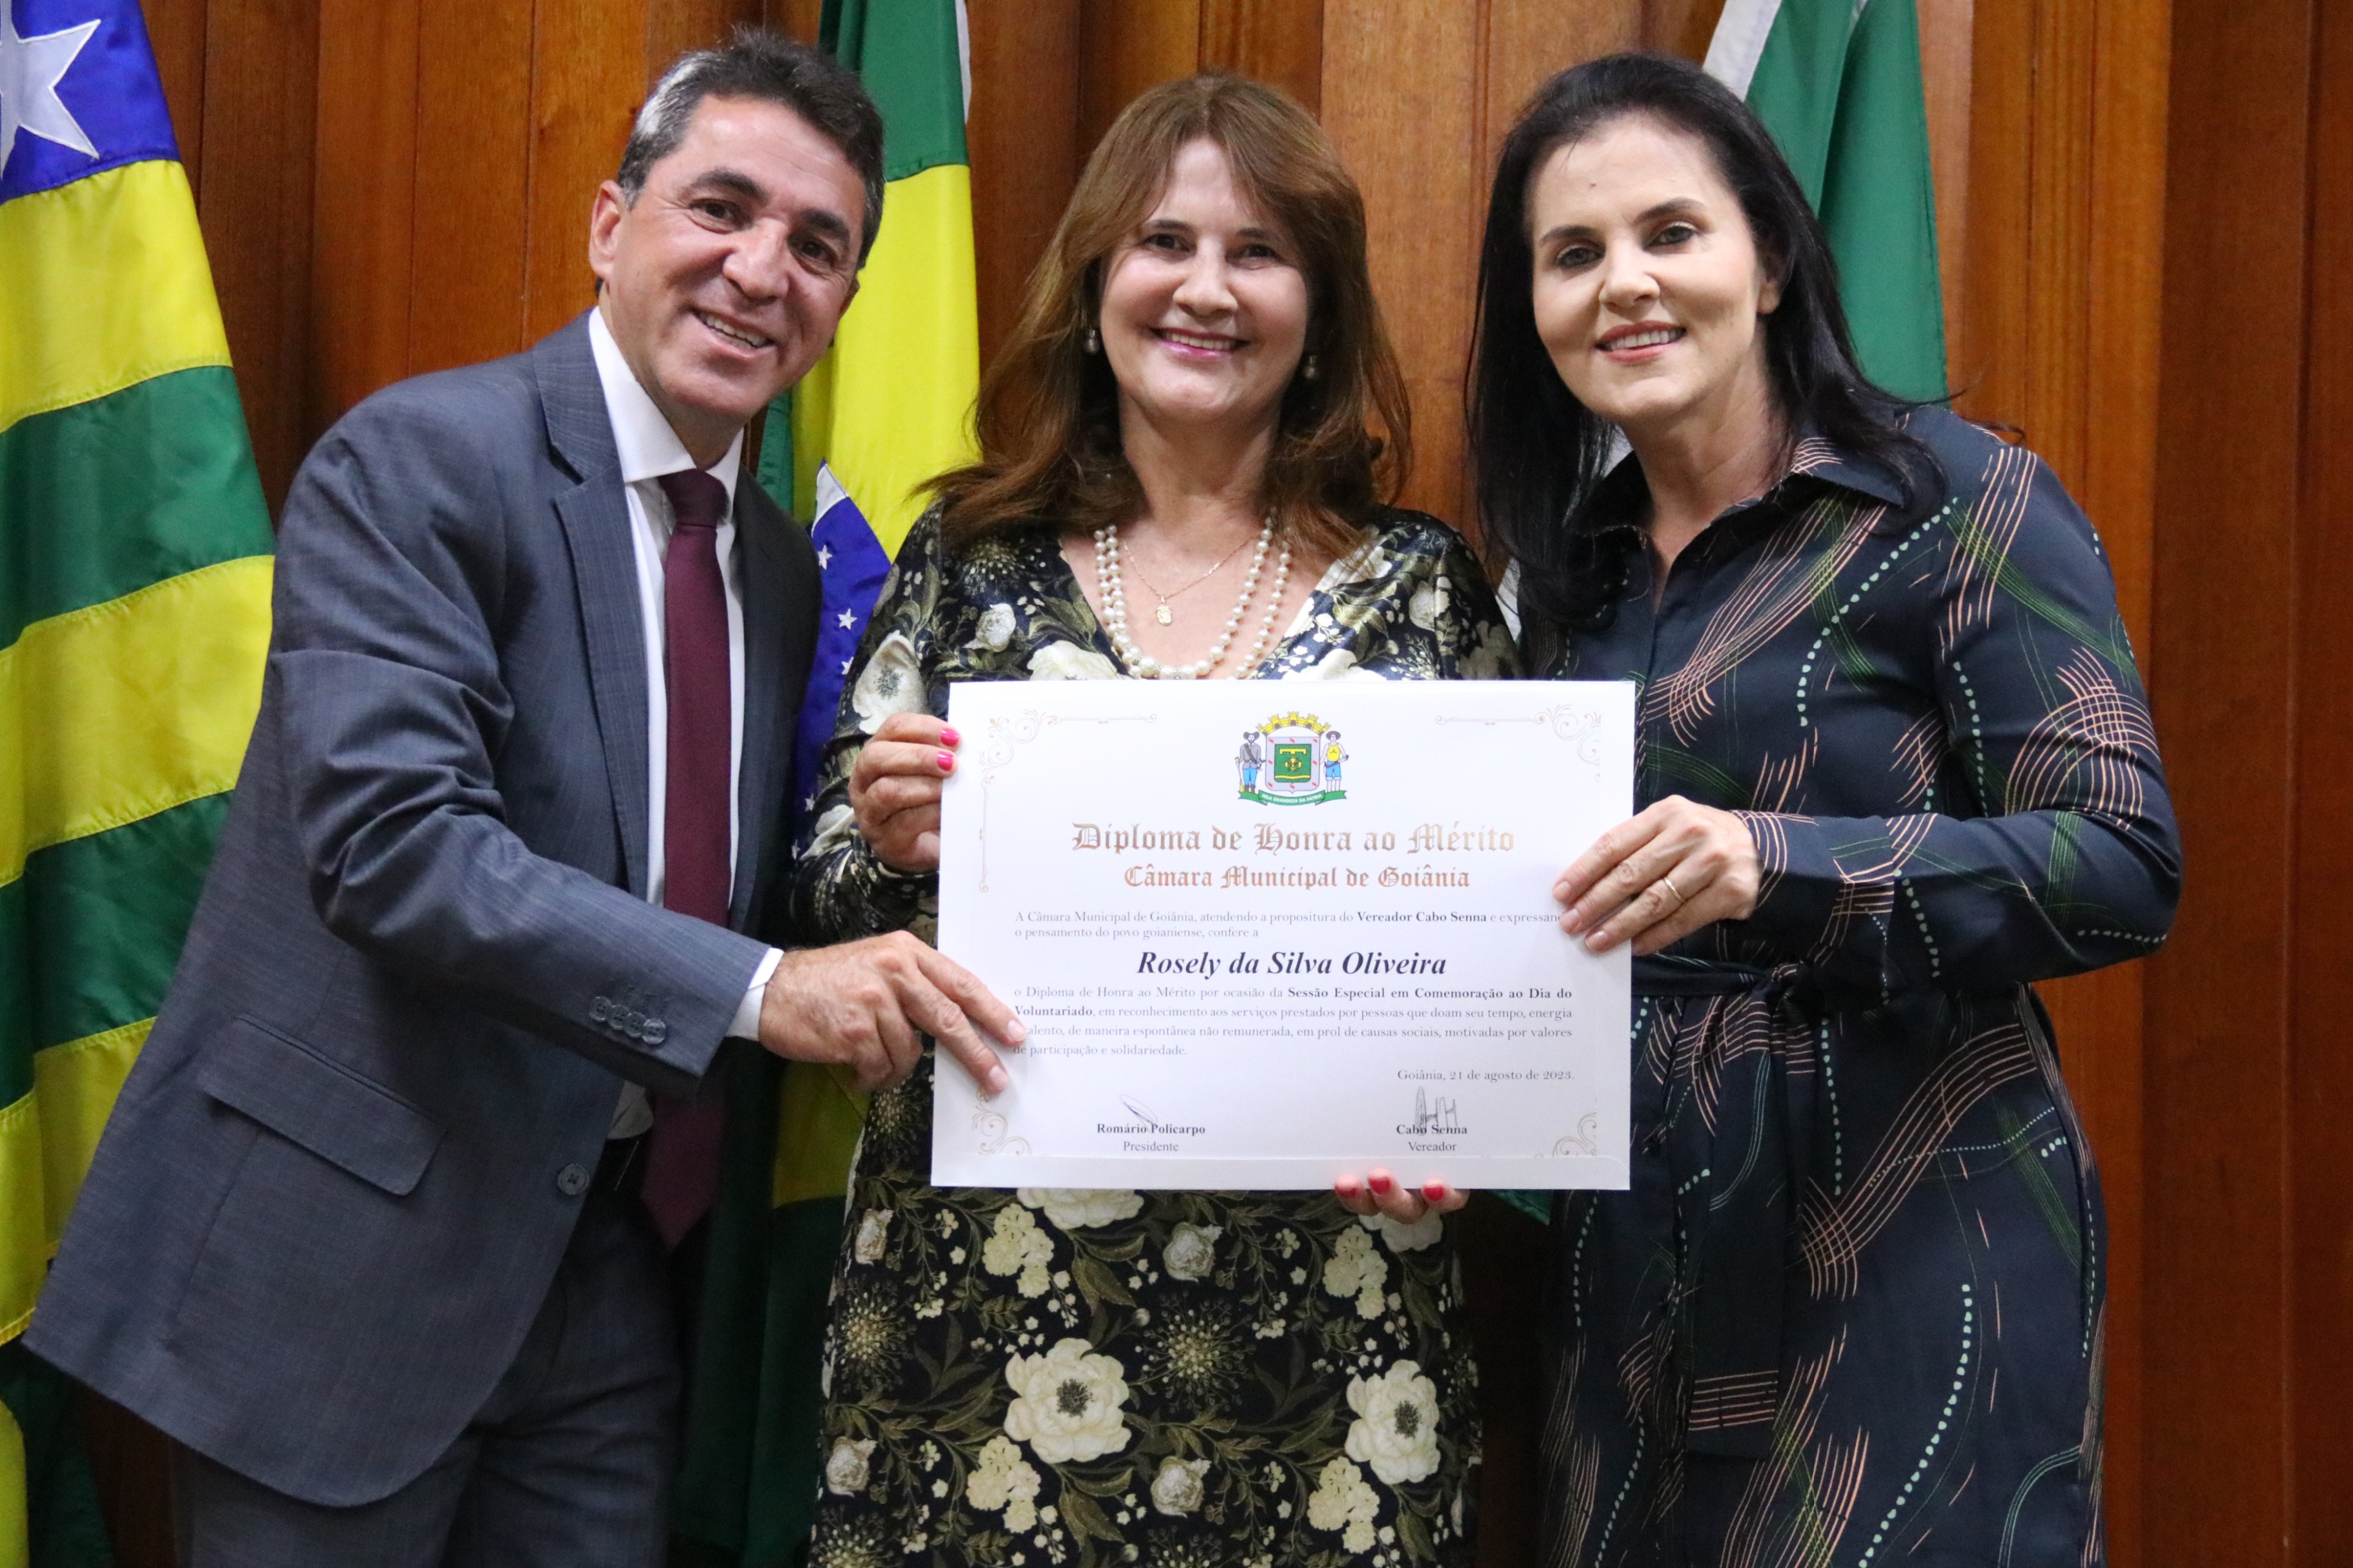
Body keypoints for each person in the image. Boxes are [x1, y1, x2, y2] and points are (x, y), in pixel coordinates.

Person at [27, 30, 1018, 1568]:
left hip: (609, 1273)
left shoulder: (771, 568)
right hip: (342, 1270)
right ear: (610, 225)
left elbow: (688, 877)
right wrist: (772, 989)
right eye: (720, 209)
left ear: (842, 304)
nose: (762, 271)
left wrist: (893, 848)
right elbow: (394, 850)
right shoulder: (421, 462)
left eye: (818, 246)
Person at [1465, 54, 2180, 1567]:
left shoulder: (1961, 502)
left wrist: (1775, 863)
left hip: (1917, 1223)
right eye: (1572, 254)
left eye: (1672, 232)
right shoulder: (1566, 574)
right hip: (1636, 1256)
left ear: (1772, 259)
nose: (1624, 283)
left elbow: (2120, 862)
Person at [797, 73, 1517, 1568]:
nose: (1206, 289)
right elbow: (821, 891)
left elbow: (1508, 937)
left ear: (1318, 307)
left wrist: (1468, 1118)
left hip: (1325, 1311)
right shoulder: (968, 556)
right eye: (1163, 243)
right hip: (984, 1303)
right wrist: (892, 841)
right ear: (1093, 287)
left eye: (1258, 252)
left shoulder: (1422, 589)